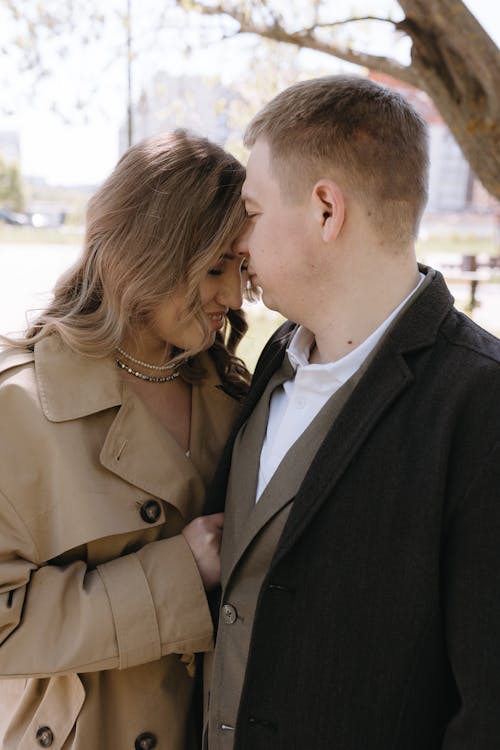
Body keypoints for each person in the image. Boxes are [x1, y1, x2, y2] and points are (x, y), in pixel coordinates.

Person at [204, 75, 500, 749]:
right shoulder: (275, 355)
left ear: (326, 211)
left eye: (252, 210)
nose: (239, 243)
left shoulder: (482, 404)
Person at [0, 129, 253, 750]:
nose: (233, 295)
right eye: (215, 267)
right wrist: (179, 574)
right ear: (148, 251)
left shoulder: (238, 399)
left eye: (242, 267)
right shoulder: (19, 408)